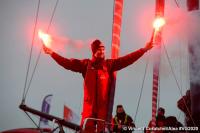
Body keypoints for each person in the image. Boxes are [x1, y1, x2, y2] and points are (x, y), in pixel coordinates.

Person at [42, 39, 153, 132]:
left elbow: (127, 60)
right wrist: (52, 53)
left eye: (103, 49)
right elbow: (67, 63)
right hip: (88, 114)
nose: (102, 51)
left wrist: (143, 50)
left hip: (102, 115)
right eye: (100, 49)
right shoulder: (85, 65)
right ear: (94, 51)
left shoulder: (109, 65)